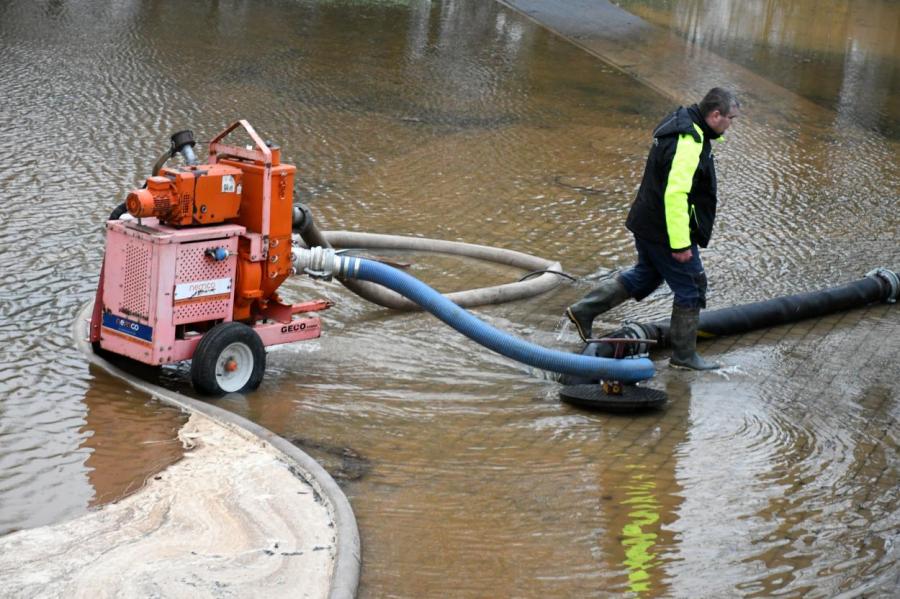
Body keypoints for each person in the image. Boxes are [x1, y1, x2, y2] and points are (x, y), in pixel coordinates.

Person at [566, 87, 741, 370]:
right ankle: (684, 357)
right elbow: (675, 195)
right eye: (730, 118)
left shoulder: (683, 123)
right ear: (715, 114)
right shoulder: (689, 141)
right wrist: (681, 244)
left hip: (646, 222)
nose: (731, 125)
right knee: (692, 288)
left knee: (647, 276)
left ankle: (583, 311)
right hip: (665, 230)